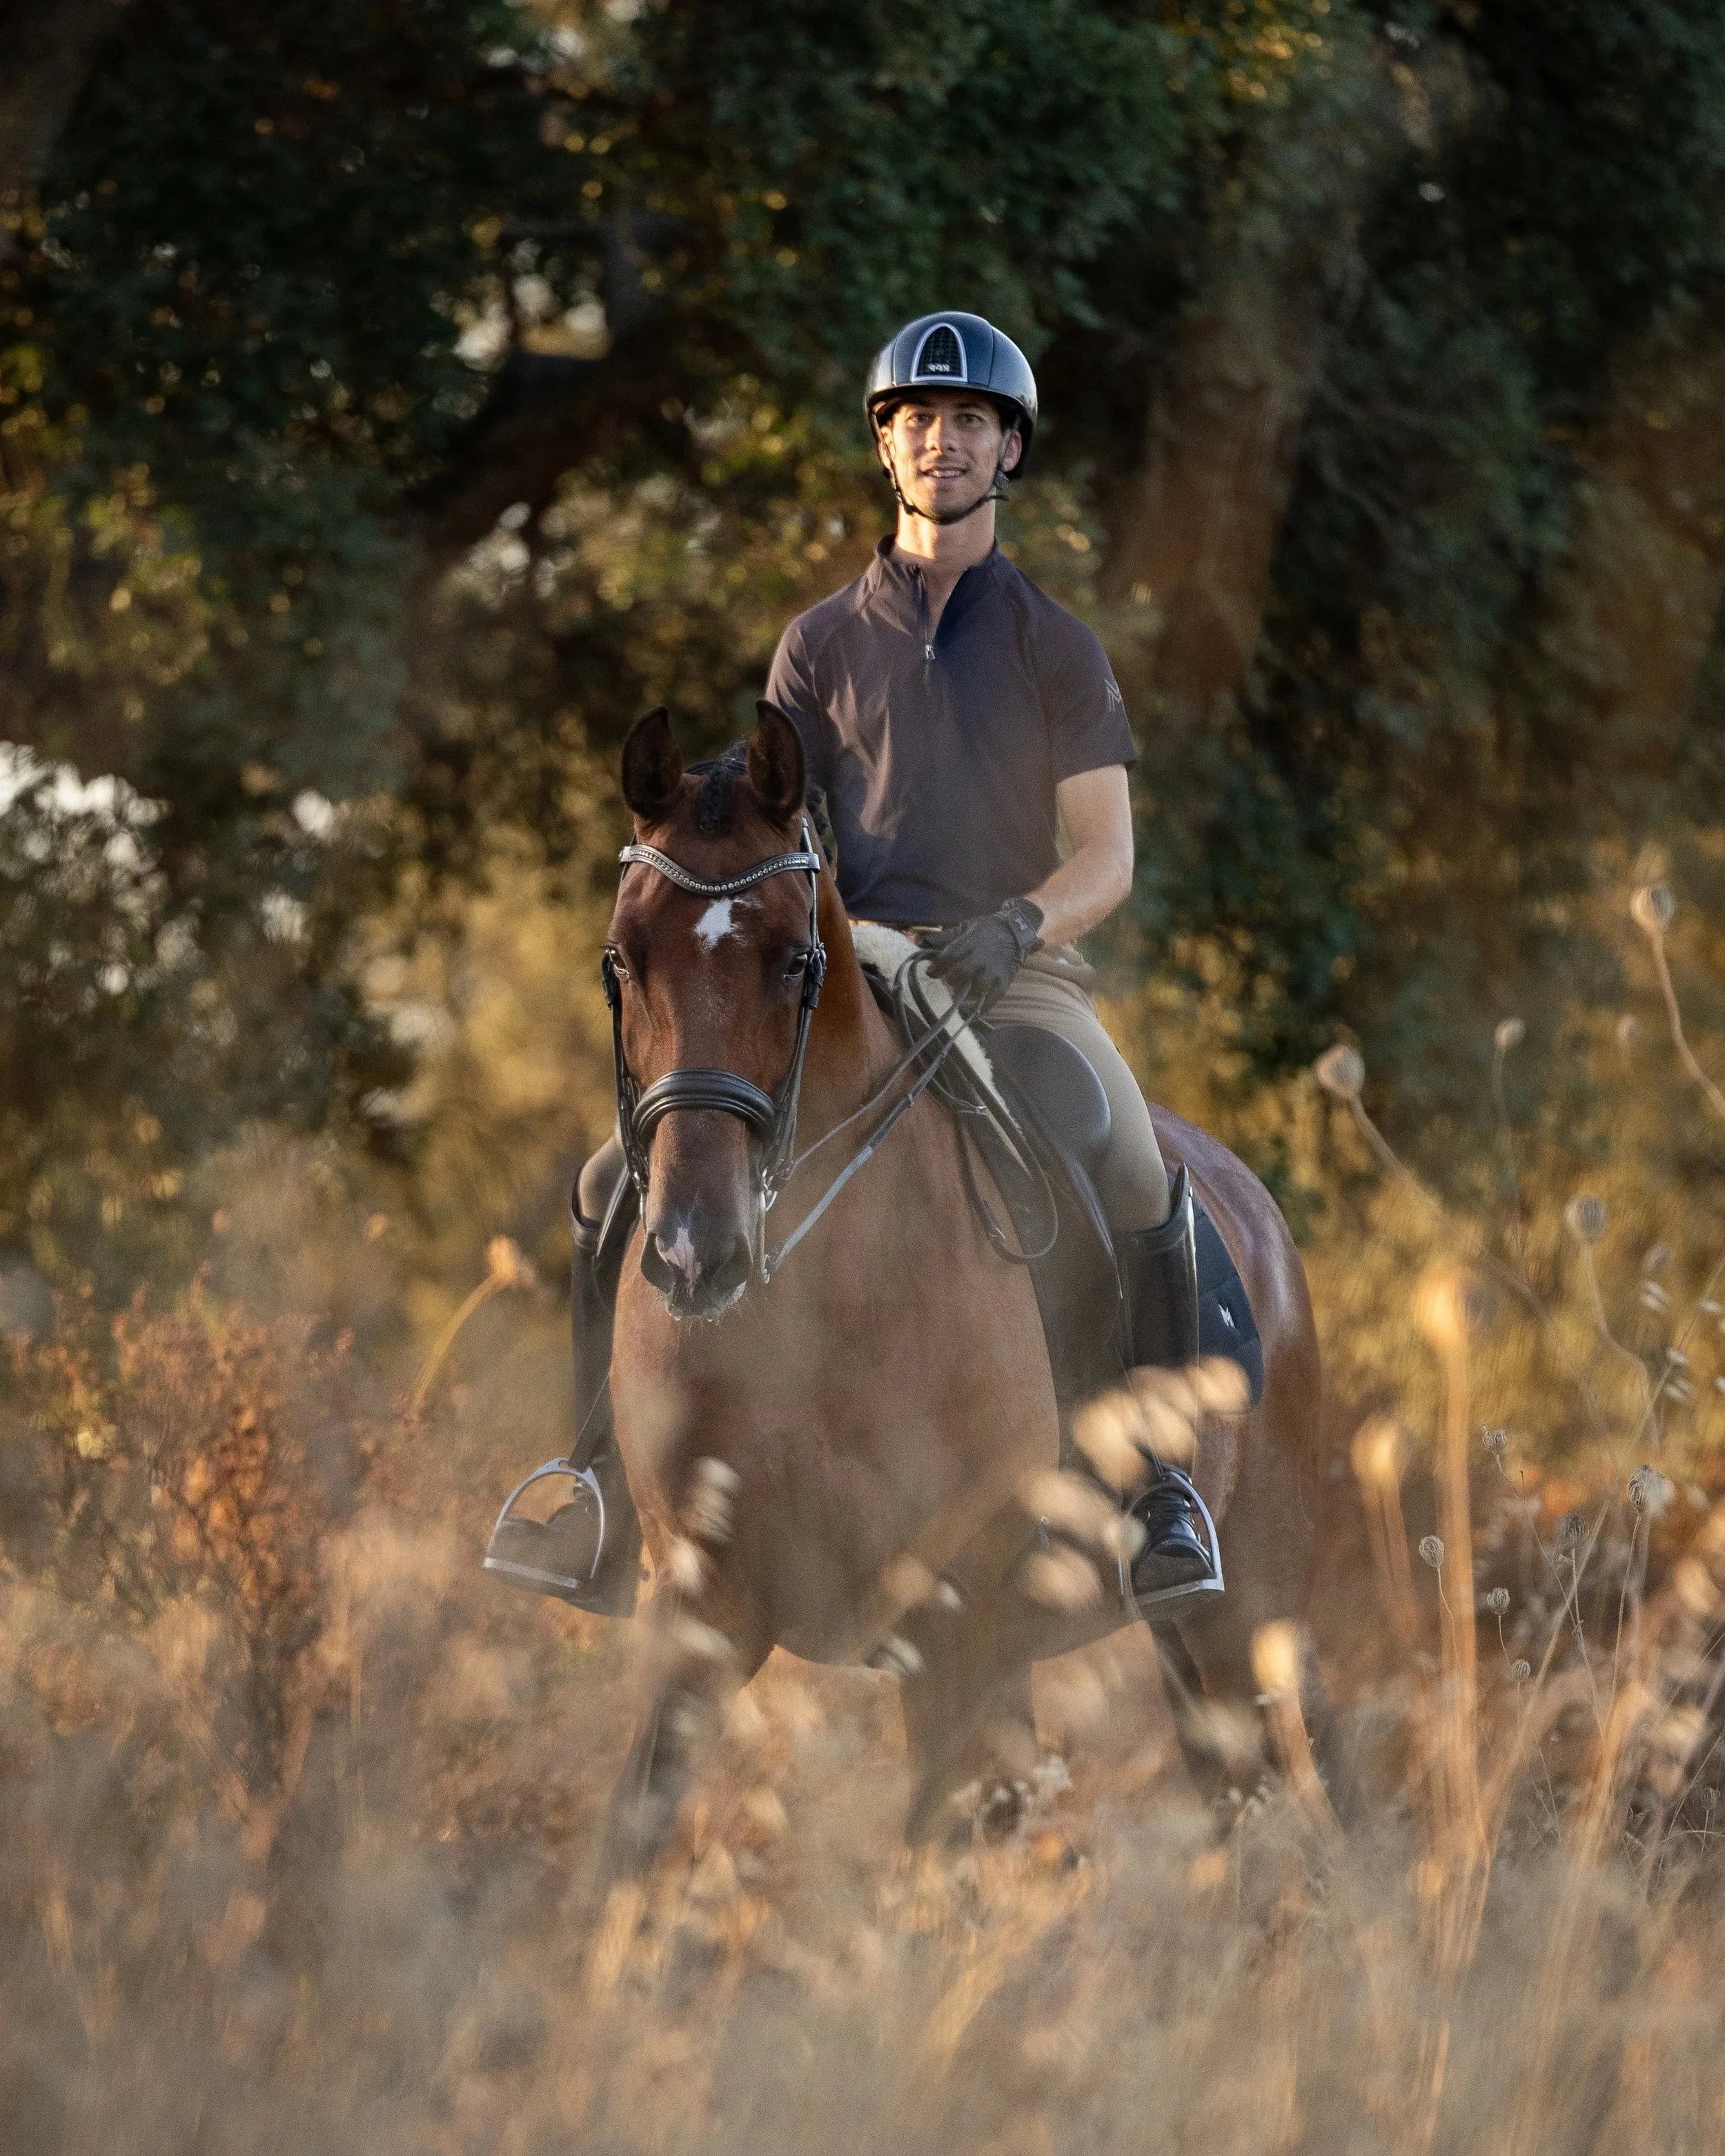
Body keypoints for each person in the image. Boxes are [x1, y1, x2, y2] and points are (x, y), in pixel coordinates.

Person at [522, 311, 1212, 1617]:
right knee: (613, 1177)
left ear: (1007, 449)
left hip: (1022, 976)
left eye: (967, 423)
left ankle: (1161, 1491)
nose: (939, 443)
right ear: (885, 449)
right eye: (915, 422)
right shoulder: (819, 644)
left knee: (1129, 1155)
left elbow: (1109, 856)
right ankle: (596, 1482)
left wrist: (1019, 923)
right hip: (853, 971)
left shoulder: (1054, 644)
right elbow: (784, 835)